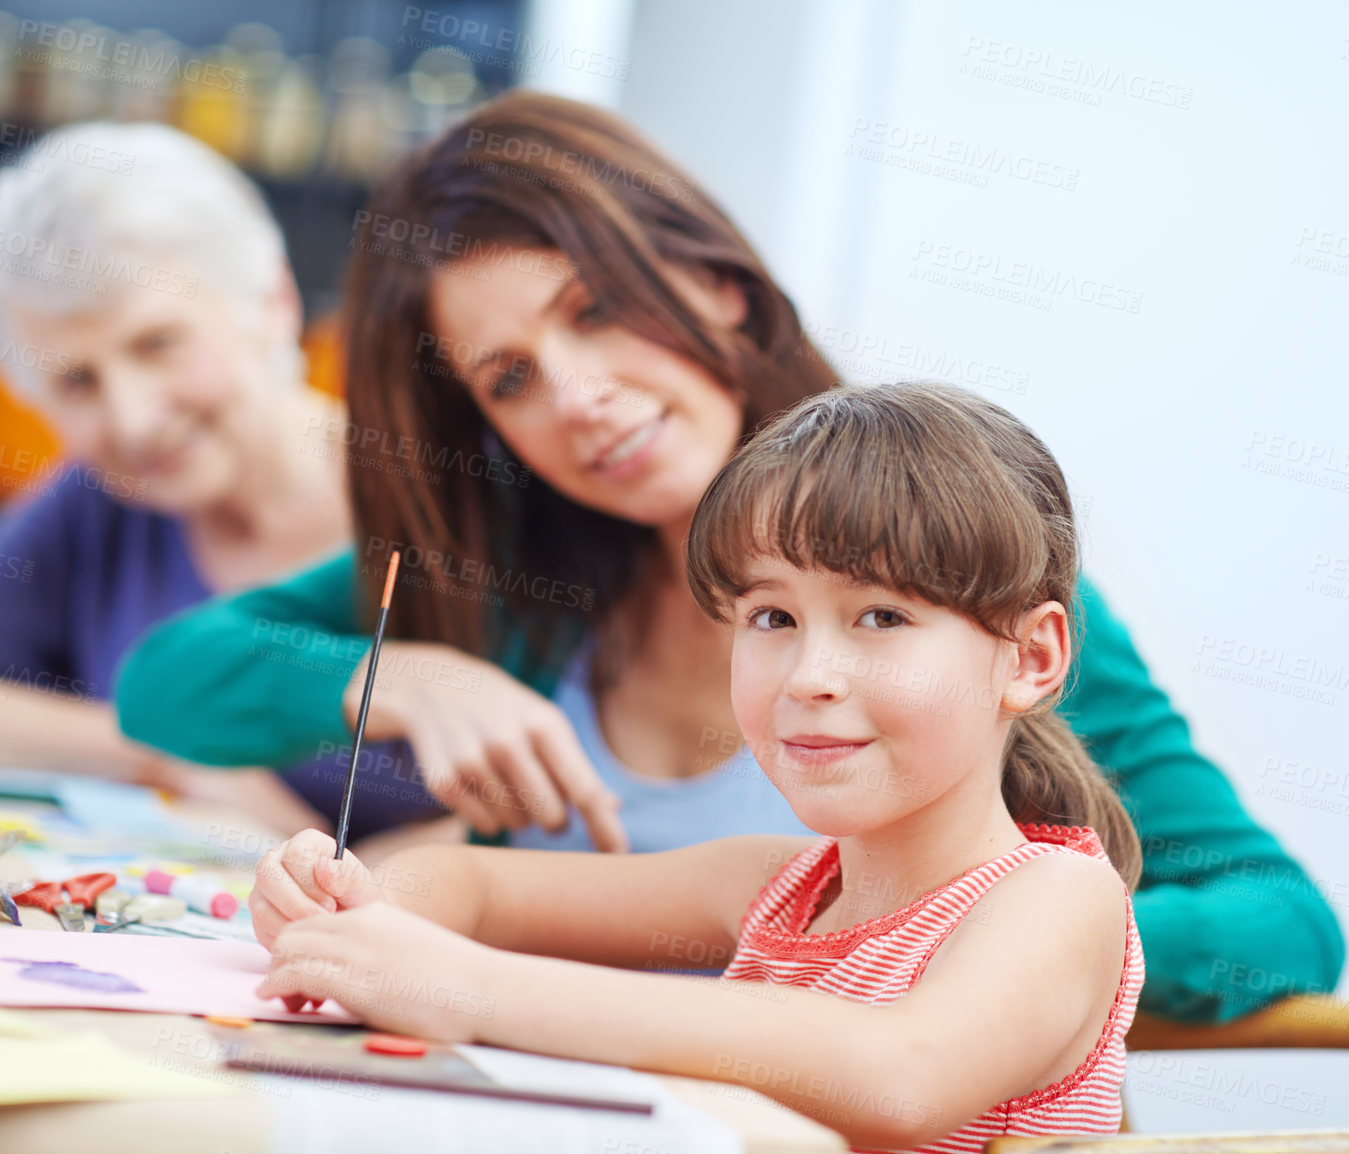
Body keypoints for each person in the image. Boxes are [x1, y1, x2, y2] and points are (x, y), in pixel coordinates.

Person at [117, 91, 1341, 1022]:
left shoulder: (957, 592)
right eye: (512, 379)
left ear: (718, 285)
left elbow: (1278, 921)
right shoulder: (507, 577)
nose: (581, 395)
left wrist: (962, 956)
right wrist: (408, 681)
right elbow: (164, 678)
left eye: (594, 310)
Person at [253, 383, 1146, 1151]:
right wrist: (352, 915)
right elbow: (470, 884)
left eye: (882, 617)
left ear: (1031, 658)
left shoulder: (1056, 898)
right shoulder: (770, 886)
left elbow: (898, 1075)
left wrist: (466, 987)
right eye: (772, 618)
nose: (809, 678)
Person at [0, 122, 443, 841]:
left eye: (158, 343)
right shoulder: (93, 504)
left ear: (274, 301)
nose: (134, 419)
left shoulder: (444, 501)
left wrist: (361, 888)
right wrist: (167, 751)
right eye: (77, 381)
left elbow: (569, 815)